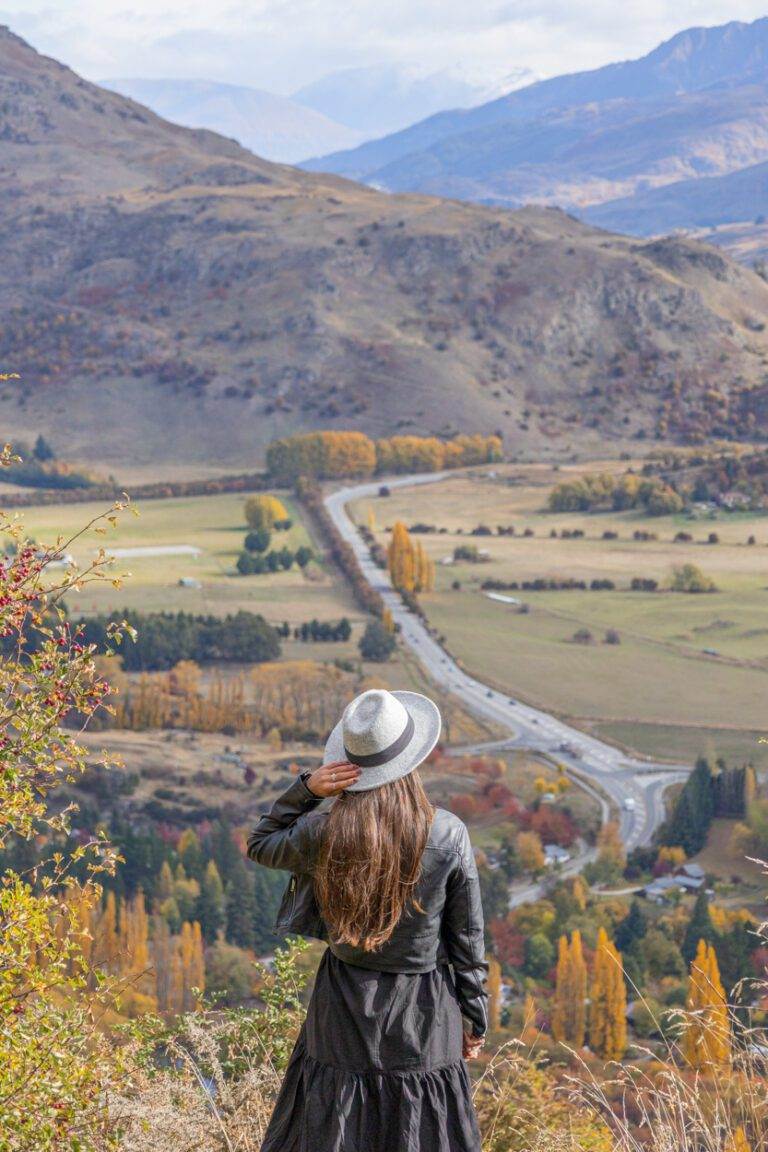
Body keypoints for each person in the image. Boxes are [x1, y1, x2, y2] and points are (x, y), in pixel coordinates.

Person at [247, 687, 488, 1152]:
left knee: (335, 1129)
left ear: (350, 766)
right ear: (409, 759)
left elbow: (262, 843)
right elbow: (467, 941)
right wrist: (474, 1020)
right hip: (424, 1015)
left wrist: (307, 789)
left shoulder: (323, 829)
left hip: (340, 1009)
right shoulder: (447, 833)